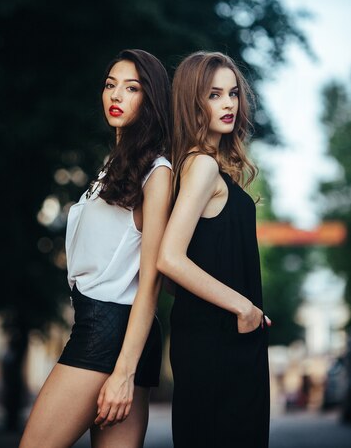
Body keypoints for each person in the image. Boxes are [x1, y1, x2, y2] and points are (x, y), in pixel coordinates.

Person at [19, 49, 172, 448]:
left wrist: (124, 370)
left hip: (112, 331)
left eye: (131, 87)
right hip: (103, 324)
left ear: (151, 99)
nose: (116, 95)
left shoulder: (157, 172)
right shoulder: (116, 166)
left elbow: (152, 277)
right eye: (110, 85)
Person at [157, 51, 271, 448]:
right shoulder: (202, 166)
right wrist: (242, 305)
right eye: (214, 95)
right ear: (192, 102)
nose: (228, 104)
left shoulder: (192, 165)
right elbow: (168, 259)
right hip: (220, 344)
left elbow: (178, 279)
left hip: (213, 337)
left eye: (233, 93)